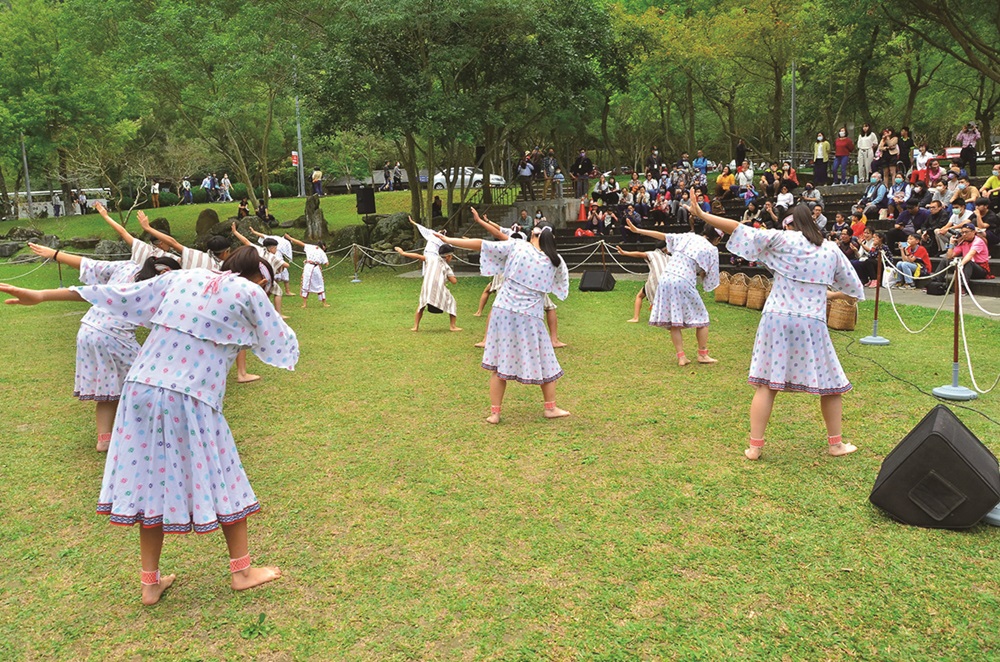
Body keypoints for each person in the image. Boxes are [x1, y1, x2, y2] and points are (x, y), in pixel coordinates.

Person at [0, 246, 299, 605]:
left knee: (148, 481)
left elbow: (116, 294)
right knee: (224, 473)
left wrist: (44, 294)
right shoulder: (250, 292)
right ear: (261, 279)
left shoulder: (180, 277)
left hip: (138, 388)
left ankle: (150, 584)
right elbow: (282, 343)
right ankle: (242, 571)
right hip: (190, 395)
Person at [689, 201, 864, 460]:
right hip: (811, 321)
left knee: (765, 385)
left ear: (790, 223)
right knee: (830, 385)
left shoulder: (783, 239)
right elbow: (853, 289)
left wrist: (703, 214)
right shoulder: (831, 250)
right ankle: (835, 444)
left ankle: (755, 448)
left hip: (776, 319)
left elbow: (739, 229)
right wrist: (822, 293)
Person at [26, 243, 180, 451]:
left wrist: (55, 254)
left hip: (87, 330)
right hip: (113, 335)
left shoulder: (126, 266)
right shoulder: (156, 286)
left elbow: (88, 264)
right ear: (168, 273)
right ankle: (147, 431)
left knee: (110, 386)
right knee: (146, 380)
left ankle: (104, 439)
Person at [435, 220, 570, 424]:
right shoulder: (555, 260)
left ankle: (495, 413)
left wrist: (448, 240)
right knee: (546, 361)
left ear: (533, 234)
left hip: (504, 311)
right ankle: (550, 408)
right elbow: (559, 287)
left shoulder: (519, 246)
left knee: (499, 364)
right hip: (530, 316)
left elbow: (482, 244)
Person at [625, 218, 722, 366]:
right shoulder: (711, 249)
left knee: (674, 321)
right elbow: (709, 277)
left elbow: (662, 235)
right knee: (703, 318)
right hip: (683, 279)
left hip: (666, 278)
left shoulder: (688, 236)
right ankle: (702, 354)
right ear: (718, 238)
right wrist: (704, 277)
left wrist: (638, 231)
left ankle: (681, 357)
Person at [393, 244, 461, 332]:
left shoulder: (431, 258)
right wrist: (448, 276)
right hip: (439, 288)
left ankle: (415, 326)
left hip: (426, 287)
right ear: (448, 256)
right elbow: (454, 281)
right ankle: (453, 326)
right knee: (452, 302)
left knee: (421, 305)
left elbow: (417, 256)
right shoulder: (446, 267)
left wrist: (403, 253)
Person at [232, 224, 289, 318]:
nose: (276, 250)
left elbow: (246, 241)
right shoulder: (273, 257)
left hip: (254, 277)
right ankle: (278, 314)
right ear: (271, 248)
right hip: (266, 279)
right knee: (278, 292)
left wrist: (235, 232)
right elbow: (287, 265)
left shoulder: (258, 249)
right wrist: (280, 266)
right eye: (275, 248)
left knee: (264, 293)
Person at [617, 242, 671, 323]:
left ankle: (636, 318)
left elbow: (639, 254)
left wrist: (625, 253)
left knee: (639, 296)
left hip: (656, 282)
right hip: (669, 283)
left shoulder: (653, 254)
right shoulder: (669, 258)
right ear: (665, 249)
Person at [285, 234, 329, 307]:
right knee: (320, 284)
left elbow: (299, 242)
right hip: (315, 268)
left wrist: (290, 238)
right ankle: (324, 303)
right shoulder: (322, 252)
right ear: (323, 246)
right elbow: (326, 263)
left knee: (306, 283)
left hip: (308, 267)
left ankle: (304, 304)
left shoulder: (310, 247)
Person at [250, 228, 295, 296]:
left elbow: (263, 235)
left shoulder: (274, 238)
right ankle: (281, 290)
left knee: (280, 275)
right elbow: (287, 264)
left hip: (276, 259)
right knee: (274, 276)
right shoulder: (284, 242)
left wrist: (254, 232)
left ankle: (283, 290)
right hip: (275, 259)